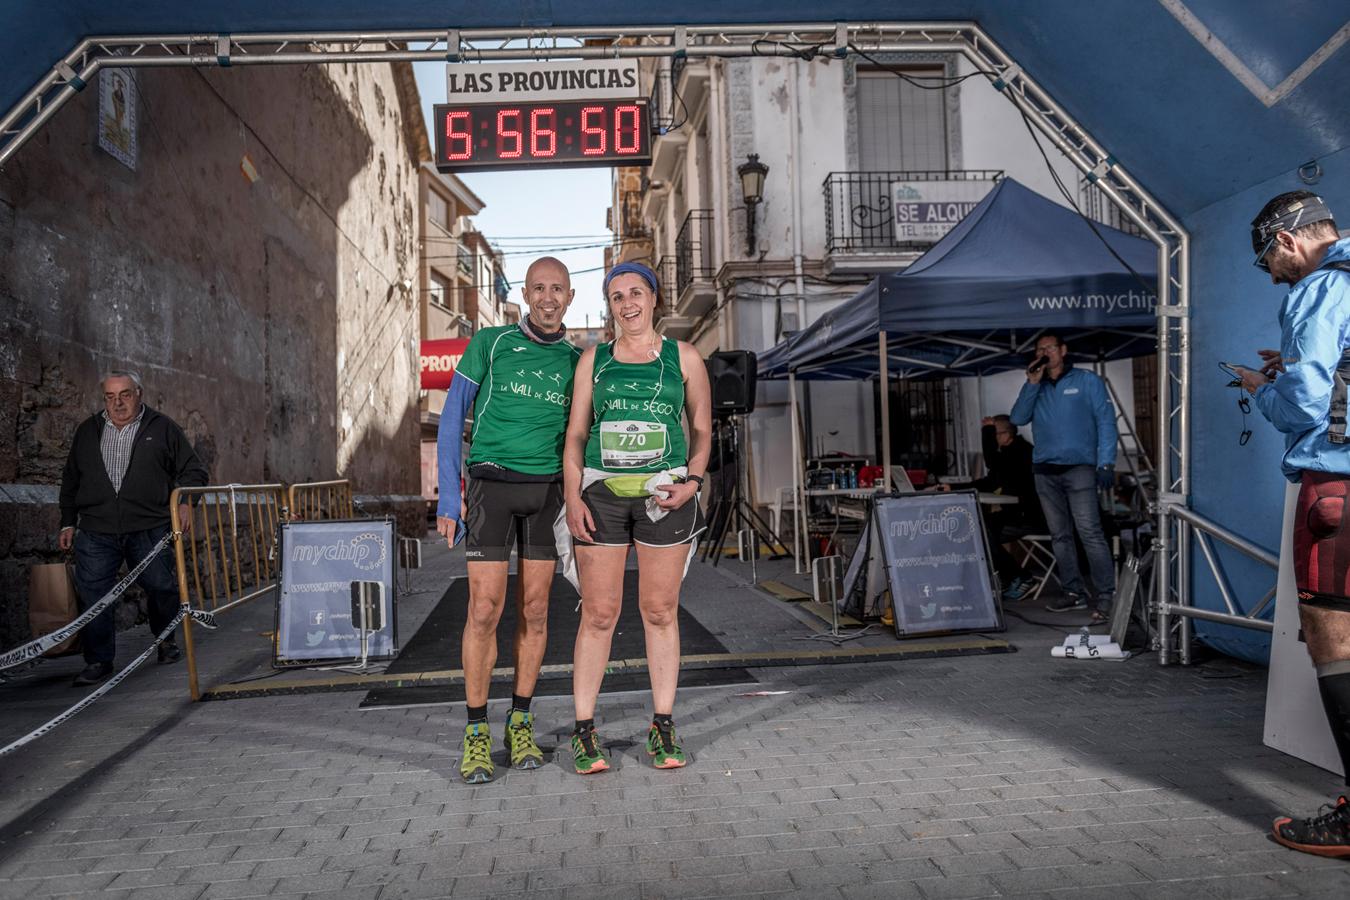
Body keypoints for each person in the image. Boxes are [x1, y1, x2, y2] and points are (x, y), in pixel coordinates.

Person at [1231, 190, 1350, 857]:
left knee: (1334, 639)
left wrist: (1261, 387)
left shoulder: (1318, 287)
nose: (1274, 278)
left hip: (1337, 484)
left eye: (1267, 265)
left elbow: (1305, 404)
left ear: (1285, 242)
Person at [435, 256, 581, 784]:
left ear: (570, 297)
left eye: (557, 289)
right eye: (538, 288)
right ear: (524, 292)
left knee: (537, 611)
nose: (547, 297)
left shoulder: (576, 360)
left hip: (546, 494)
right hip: (490, 487)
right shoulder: (490, 343)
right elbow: (452, 417)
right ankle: (476, 731)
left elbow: (582, 437)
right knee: (484, 610)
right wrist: (448, 500)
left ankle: (520, 720)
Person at [563, 261, 712, 774]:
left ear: (653, 299)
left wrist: (692, 483)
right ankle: (584, 733)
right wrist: (572, 495)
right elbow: (577, 435)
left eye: (635, 293)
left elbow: (701, 431)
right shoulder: (593, 361)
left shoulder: (685, 357)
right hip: (601, 494)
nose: (627, 303)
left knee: (659, 611)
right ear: (610, 305)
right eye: (617, 296)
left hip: (663, 495)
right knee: (599, 614)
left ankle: (663, 725)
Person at [57, 371, 208, 686]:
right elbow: (71, 480)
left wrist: (185, 503)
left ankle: (166, 641)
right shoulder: (88, 431)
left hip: (149, 528)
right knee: (94, 595)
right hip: (97, 530)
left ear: (139, 393)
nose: (118, 403)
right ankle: (98, 661)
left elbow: (194, 470)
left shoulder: (162, 428)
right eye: (110, 397)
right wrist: (68, 520)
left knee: (162, 587)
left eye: (124, 394)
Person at [1009, 333, 1118, 617]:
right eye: (1039, 349)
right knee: (1060, 536)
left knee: (1090, 532)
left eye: (1049, 348)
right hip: (1045, 470)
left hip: (1080, 468)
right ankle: (1073, 591)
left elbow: (1106, 421)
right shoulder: (1036, 385)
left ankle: (1107, 593)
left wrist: (1106, 462)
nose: (1045, 352)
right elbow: (1018, 419)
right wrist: (1031, 384)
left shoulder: (1087, 381)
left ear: (1063, 350)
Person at [943, 415, 1046, 601]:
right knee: (979, 530)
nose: (994, 440)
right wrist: (954, 488)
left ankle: (1020, 577)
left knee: (982, 532)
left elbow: (992, 464)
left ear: (1007, 434)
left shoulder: (1021, 452)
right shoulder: (1009, 453)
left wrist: (986, 432)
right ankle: (1010, 577)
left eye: (995, 434)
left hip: (1031, 516)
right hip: (1017, 513)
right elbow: (992, 480)